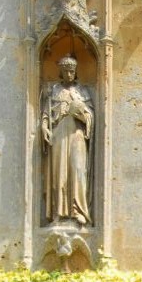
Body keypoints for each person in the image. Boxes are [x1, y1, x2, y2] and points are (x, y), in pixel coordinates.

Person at [41, 55, 94, 225]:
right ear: (61, 72)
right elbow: (46, 114)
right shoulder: (54, 90)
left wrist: (81, 113)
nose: (69, 75)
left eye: (72, 71)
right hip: (58, 134)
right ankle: (59, 212)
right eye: (66, 72)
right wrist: (44, 127)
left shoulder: (82, 91)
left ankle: (77, 210)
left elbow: (90, 116)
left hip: (77, 134)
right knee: (59, 173)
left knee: (78, 170)